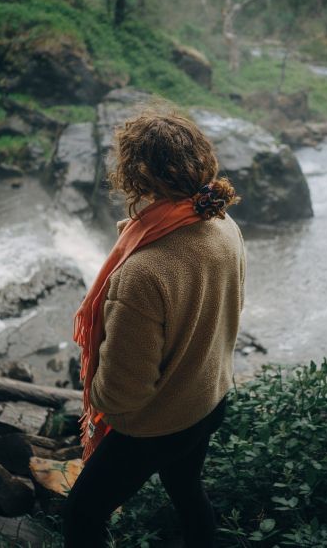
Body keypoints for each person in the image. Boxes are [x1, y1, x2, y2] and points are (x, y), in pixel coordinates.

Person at [63, 107, 246, 548]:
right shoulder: (223, 225)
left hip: (157, 426)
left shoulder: (144, 271)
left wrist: (97, 396)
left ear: (137, 176)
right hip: (209, 400)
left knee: (82, 514)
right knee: (186, 487)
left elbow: (124, 394)